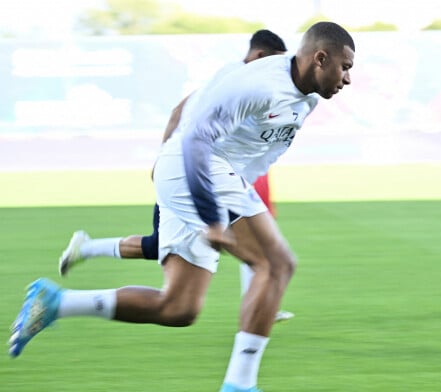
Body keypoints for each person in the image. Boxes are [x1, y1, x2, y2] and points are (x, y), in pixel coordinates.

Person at [9, 21, 355, 392]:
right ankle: (239, 386)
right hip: (199, 168)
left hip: (209, 175)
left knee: (178, 308)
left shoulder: (309, 99)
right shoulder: (256, 84)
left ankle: (56, 302)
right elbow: (195, 140)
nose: (348, 78)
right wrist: (210, 215)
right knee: (276, 262)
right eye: (345, 67)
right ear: (320, 58)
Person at [58, 29, 294, 322]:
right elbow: (180, 115)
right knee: (183, 283)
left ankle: (83, 256)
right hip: (191, 172)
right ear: (259, 56)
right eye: (274, 63)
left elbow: (183, 113)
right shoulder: (239, 79)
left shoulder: (237, 79)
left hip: (200, 171)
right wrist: (164, 159)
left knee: (168, 259)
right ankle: (262, 301)